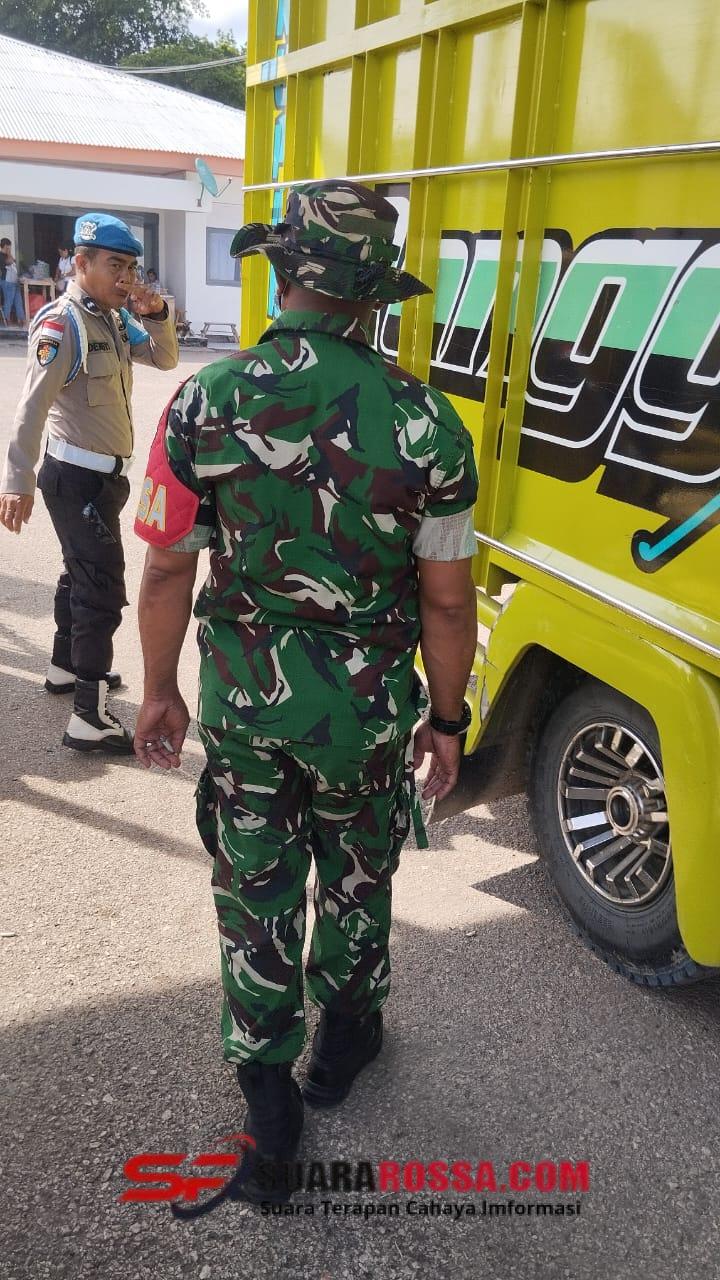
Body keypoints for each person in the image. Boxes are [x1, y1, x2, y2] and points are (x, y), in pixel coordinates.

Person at [133, 181, 478, 1207]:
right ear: (373, 296)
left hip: (247, 708)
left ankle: (269, 1103)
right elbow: (447, 601)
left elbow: (166, 567)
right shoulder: (428, 422)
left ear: (281, 270)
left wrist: (159, 690)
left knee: (256, 884)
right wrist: (447, 719)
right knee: (358, 873)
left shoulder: (204, 399)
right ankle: (343, 1043)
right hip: (365, 717)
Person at [0, 212, 179, 754]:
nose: (125, 277)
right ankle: (88, 717)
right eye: (114, 265)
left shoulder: (116, 320)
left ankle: (65, 666)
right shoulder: (64, 325)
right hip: (74, 479)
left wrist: (157, 313)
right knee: (101, 589)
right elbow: (31, 407)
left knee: (79, 573)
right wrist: (17, 480)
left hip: (104, 482)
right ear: (80, 263)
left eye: (131, 268)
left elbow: (165, 358)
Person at [0, 238, 26, 327]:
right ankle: (7, 319)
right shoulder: (1, 256)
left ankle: (21, 319)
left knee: (18, 301)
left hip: (14, 281)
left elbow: (14, 262)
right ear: (5, 246)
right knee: (9, 300)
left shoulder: (7, 255)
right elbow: (10, 261)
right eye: (9, 247)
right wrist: (9, 253)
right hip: (7, 281)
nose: (10, 248)